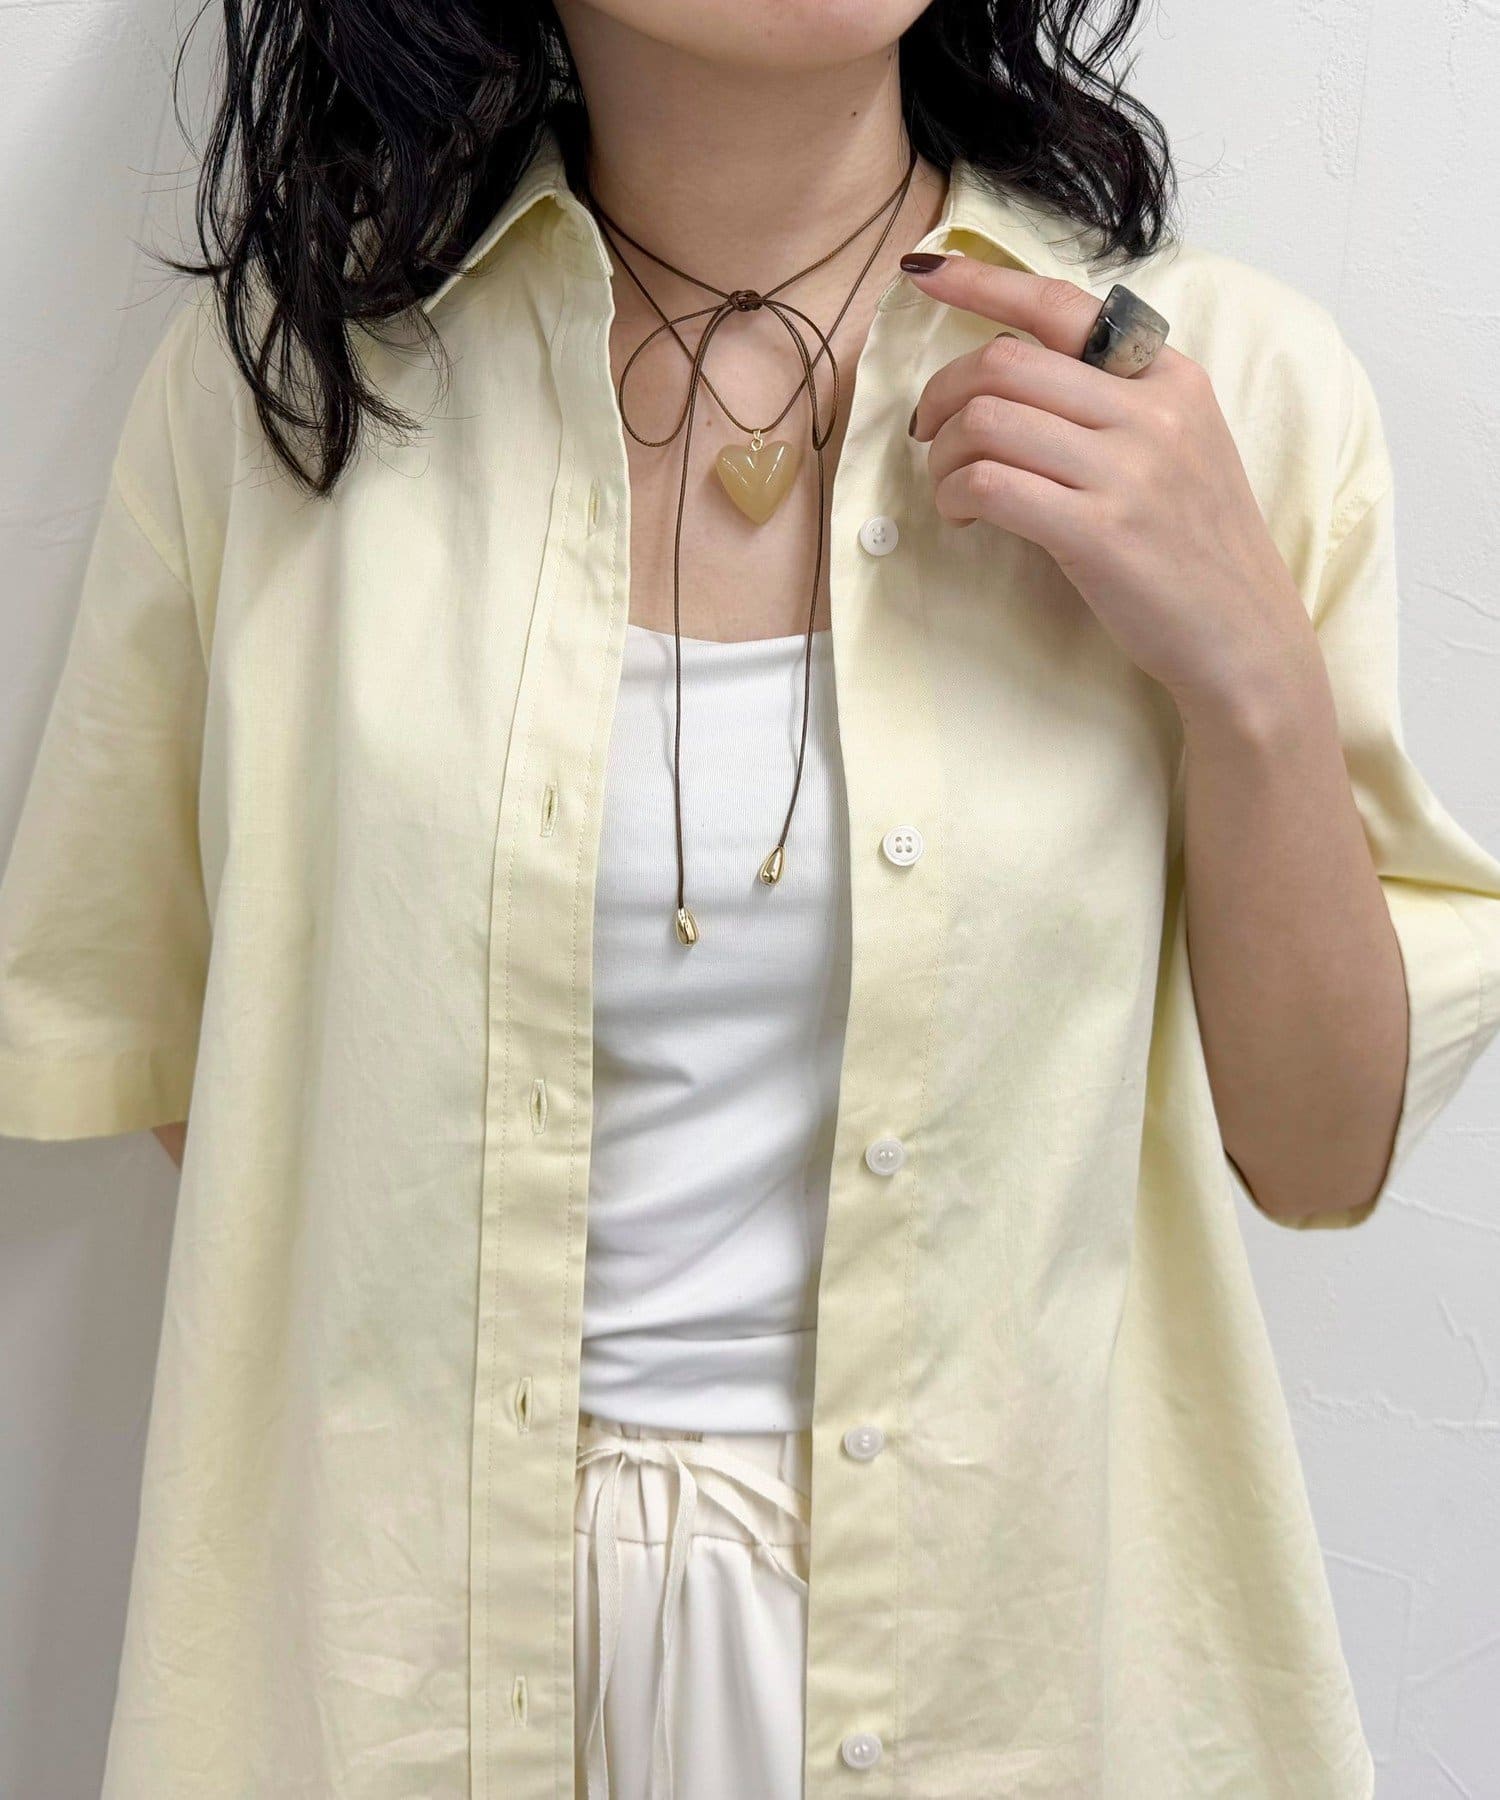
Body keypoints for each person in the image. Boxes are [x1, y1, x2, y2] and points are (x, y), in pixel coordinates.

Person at [2, 1, 1499, 1795]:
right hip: (408, 1670)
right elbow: (216, 1084)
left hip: (996, 1668)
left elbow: (1321, 1153)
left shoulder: (1212, 391)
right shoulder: (292, 389)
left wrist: (1250, 677)